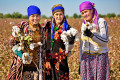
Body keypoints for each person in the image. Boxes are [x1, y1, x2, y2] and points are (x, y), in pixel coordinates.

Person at [6, 5, 43, 80]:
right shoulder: (22, 27)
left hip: (36, 66)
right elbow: (12, 43)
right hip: (23, 65)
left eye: (37, 16)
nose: (35, 18)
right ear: (29, 16)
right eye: (33, 16)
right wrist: (21, 55)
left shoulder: (42, 29)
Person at [42, 4, 77, 80]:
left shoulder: (68, 28)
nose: (58, 16)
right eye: (56, 14)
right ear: (53, 15)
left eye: (61, 14)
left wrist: (71, 42)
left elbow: (70, 48)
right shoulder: (47, 26)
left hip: (61, 62)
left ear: (63, 15)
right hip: (48, 61)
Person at [79, 1, 109, 80]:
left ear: (91, 10)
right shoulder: (83, 25)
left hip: (99, 58)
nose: (84, 14)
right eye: (82, 13)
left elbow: (105, 42)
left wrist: (91, 35)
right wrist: (80, 61)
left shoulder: (101, 22)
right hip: (86, 58)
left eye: (86, 11)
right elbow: (82, 44)